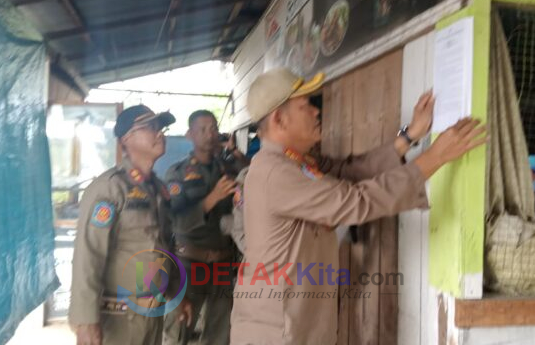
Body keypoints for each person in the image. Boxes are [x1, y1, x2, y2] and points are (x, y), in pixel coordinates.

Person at [230, 68, 487, 345]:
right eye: (306, 106)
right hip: (275, 331)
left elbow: (352, 171)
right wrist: (434, 158)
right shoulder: (276, 173)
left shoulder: (297, 162)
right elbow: (356, 201)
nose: (316, 112)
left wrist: (409, 135)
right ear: (280, 119)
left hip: (297, 323)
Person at [69, 105, 191, 345]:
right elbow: (88, 255)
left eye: (161, 128)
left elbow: (166, 246)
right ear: (126, 139)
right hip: (118, 318)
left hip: (151, 315)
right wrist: (85, 321)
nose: (160, 134)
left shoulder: (157, 188)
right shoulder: (111, 188)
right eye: (150, 127)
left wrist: (177, 294)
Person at [162, 110, 247, 345]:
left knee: (220, 334)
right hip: (189, 265)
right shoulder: (178, 174)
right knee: (179, 331)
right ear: (190, 134)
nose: (210, 134)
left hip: (224, 264)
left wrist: (240, 158)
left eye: (213, 128)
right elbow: (174, 221)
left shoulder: (230, 170)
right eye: (202, 129)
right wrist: (211, 199)